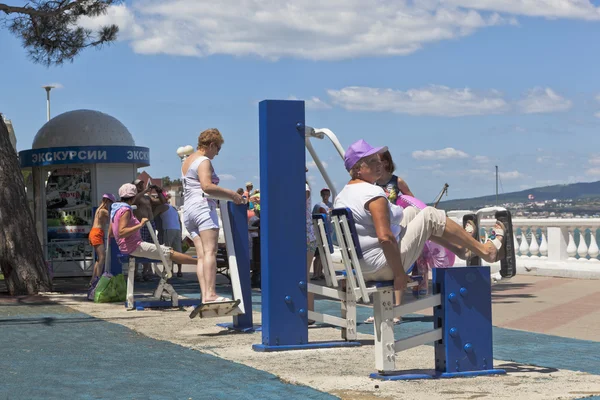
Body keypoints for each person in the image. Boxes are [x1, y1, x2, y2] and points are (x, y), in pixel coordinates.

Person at [334, 140, 506, 301]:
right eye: (372, 161)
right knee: (431, 215)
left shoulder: (342, 197)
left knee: (412, 212)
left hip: (360, 267)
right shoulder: (373, 194)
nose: (380, 164)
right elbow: (385, 238)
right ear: (357, 169)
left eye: (379, 160)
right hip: (382, 267)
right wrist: (399, 274)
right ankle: (485, 251)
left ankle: (460, 248)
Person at [181, 128, 245, 304]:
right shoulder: (204, 161)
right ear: (211, 145)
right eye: (217, 149)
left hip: (188, 211)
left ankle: (205, 295)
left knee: (202, 255)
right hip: (202, 208)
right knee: (210, 251)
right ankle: (210, 294)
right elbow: (207, 186)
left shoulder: (187, 161)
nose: (217, 154)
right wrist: (232, 194)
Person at [110, 184, 198, 269]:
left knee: (166, 250)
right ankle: (199, 262)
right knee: (169, 252)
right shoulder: (126, 210)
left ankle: (196, 262)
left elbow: (111, 233)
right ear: (134, 196)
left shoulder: (115, 209)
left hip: (127, 246)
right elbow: (121, 232)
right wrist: (140, 225)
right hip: (134, 246)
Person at [132, 179, 167, 280]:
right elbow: (134, 201)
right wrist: (145, 190)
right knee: (138, 248)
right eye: (138, 185)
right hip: (140, 224)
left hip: (150, 224)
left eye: (141, 184)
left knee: (151, 247)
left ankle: (146, 271)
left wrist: (159, 191)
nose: (141, 186)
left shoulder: (148, 198)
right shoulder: (134, 197)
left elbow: (163, 202)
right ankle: (135, 273)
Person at [88, 193, 115, 286]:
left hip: (96, 232)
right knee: (102, 257)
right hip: (97, 233)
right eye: (111, 203)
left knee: (99, 258)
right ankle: (98, 280)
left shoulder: (100, 209)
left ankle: (93, 279)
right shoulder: (103, 210)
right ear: (107, 201)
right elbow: (114, 215)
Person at [155, 195, 184, 277]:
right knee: (178, 251)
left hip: (168, 229)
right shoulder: (173, 208)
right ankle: (179, 271)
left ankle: (167, 270)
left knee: (167, 250)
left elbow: (152, 216)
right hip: (177, 229)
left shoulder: (161, 207)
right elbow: (180, 222)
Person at [311, 188, 333, 280]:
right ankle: (316, 273)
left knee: (324, 253)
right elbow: (313, 217)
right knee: (318, 254)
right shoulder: (318, 205)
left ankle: (320, 272)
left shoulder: (331, 205)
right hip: (320, 232)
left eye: (327, 194)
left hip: (328, 231)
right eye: (324, 194)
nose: (325, 196)